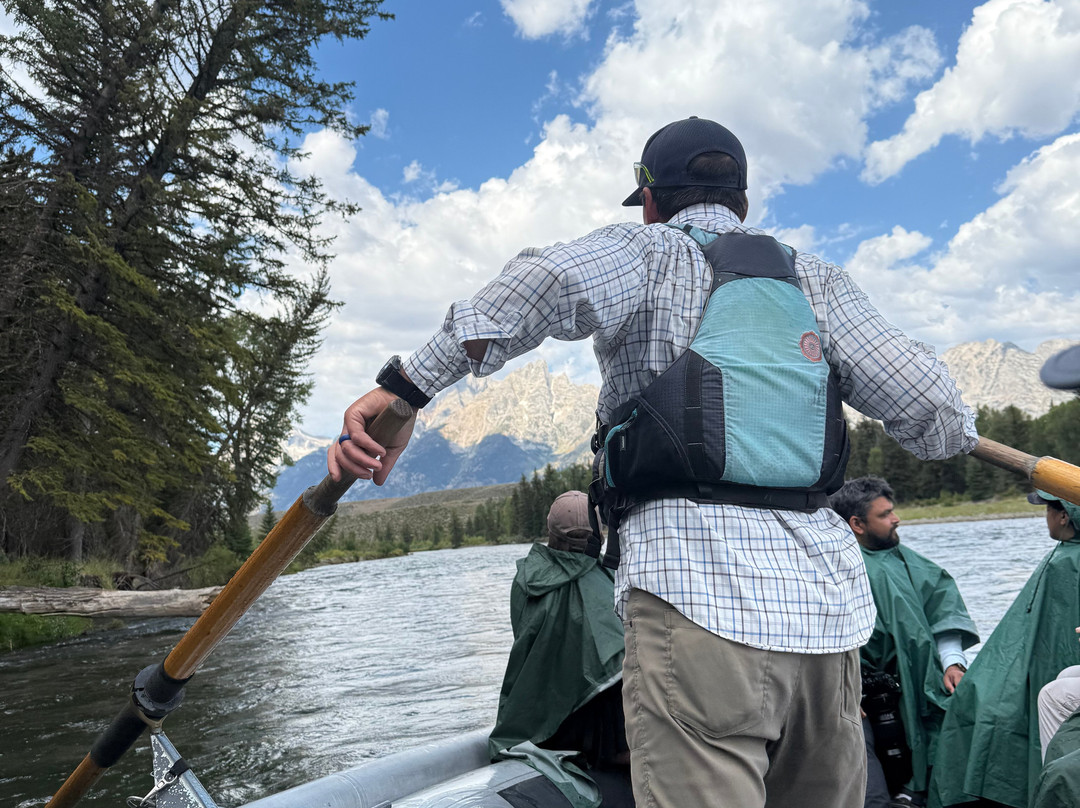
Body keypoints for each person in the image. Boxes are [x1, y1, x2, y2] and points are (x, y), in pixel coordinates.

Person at [329, 116, 977, 808]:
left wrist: (404, 389)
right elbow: (939, 417)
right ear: (743, 203)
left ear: (650, 200)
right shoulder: (818, 281)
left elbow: (539, 282)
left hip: (695, 600)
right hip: (828, 624)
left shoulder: (647, 253)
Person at [829, 477, 979, 808]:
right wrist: (843, 691)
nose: (896, 519)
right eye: (885, 514)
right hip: (862, 697)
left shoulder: (907, 561)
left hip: (921, 684)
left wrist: (953, 660)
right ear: (857, 524)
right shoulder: (832, 566)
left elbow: (941, 607)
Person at [930, 491, 1080, 808]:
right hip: (1051, 675)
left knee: (975, 702)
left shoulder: (1064, 564)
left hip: (1040, 679)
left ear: (1063, 516)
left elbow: (1038, 646)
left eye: (1049, 511)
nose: (1047, 518)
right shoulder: (1062, 559)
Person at [488, 490, 630, 808]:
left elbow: (525, 640)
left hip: (548, 723)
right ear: (597, 534)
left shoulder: (526, 580)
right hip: (604, 732)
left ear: (551, 534)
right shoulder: (610, 578)